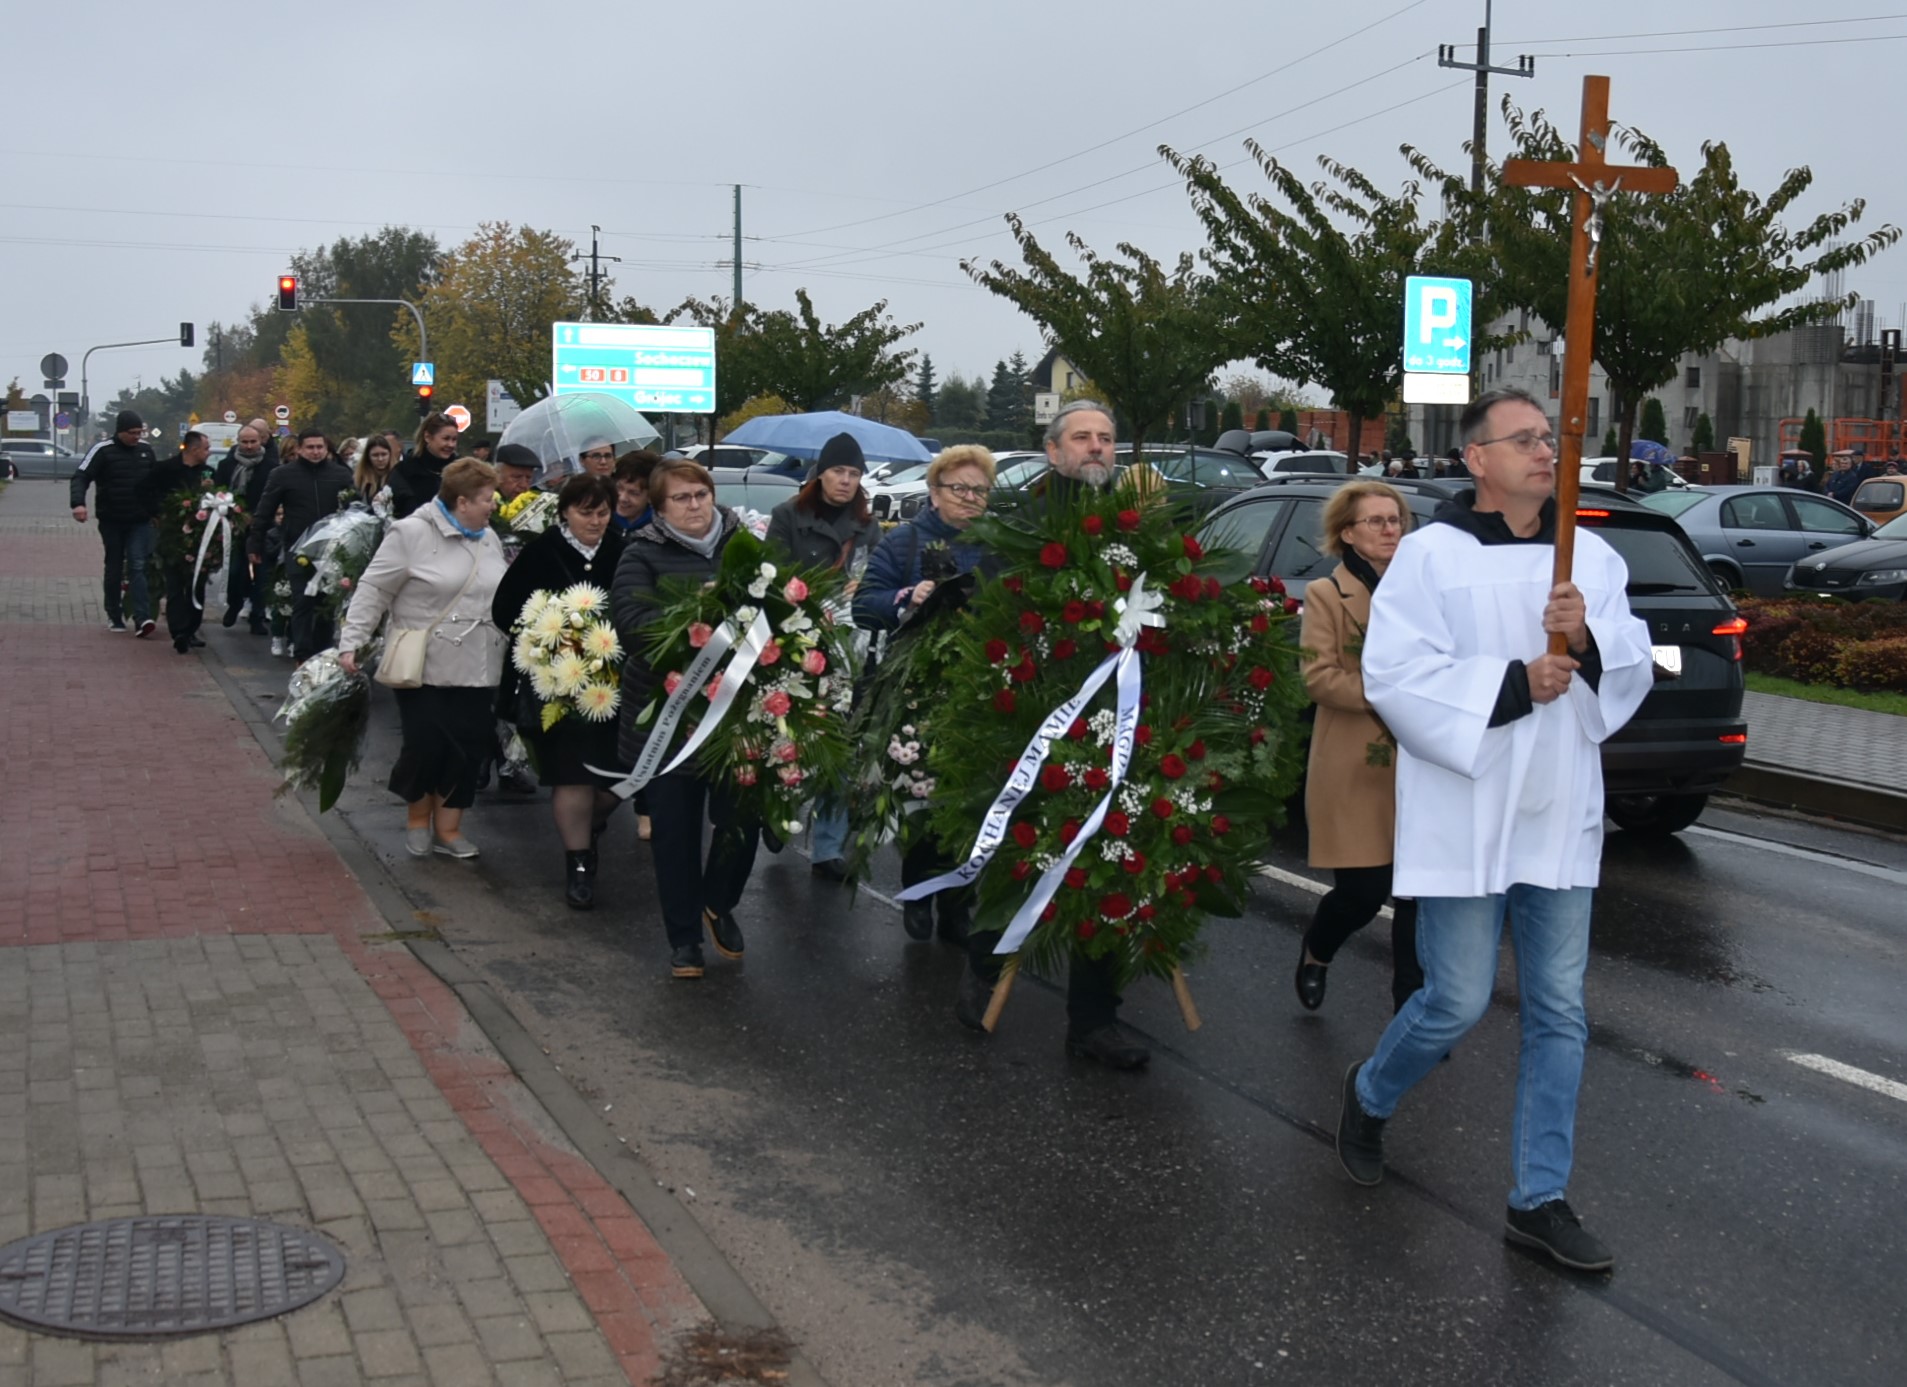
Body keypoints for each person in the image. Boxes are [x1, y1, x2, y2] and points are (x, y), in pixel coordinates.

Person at [1333, 387, 1654, 1274]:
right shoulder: (1429, 557)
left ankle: (1537, 1197)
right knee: (1456, 1000)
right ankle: (1368, 1092)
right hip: (1466, 809)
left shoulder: (1586, 553)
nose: (1544, 452)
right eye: (1523, 440)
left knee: (1559, 1009)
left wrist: (1584, 640)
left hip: (1555, 809)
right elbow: (1394, 676)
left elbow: (1629, 662)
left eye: (1548, 439)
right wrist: (1516, 684)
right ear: (1476, 458)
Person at [956, 402, 1149, 1071]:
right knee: (1024, 853)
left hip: (1119, 716)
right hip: (1036, 712)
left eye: (1105, 437)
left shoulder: (1137, 518)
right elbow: (995, 603)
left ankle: (1093, 1019)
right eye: (1082, 438)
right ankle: (984, 960)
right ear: (1051, 449)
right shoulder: (1021, 518)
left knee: (1106, 861)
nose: (1096, 448)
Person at [611, 457, 760, 979]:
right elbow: (632, 628)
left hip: (736, 715)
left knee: (743, 819)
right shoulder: (641, 554)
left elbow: (775, 606)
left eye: (701, 494)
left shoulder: (746, 546)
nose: (695, 506)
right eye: (682, 498)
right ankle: (684, 939)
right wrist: (694, 614)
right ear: (659, 508)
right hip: (668, 718)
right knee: (674, 834)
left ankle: (718, 901)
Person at [1294, 481, 1423, 1014]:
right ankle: (1318, 950)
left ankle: (1412, 1014)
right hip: (1354, 766)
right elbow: (1319, 678)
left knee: (1417, 896)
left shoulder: (1424, 592)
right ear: (1347, 533)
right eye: (1376, 521)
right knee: (1364, 894)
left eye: (1395, 520)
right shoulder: (1326, 595)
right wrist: (1391, 693)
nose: (1391, 529)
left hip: (1421, 762)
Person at [855, 444, 996, 928]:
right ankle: (917, 892)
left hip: (977, 686)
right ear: (934, 492)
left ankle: (958, 904)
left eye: (980, 490)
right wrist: (906, 598)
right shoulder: (905, 543)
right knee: (920, 793)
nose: (970, 498)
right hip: (916, 688)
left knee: (969, 797)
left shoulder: (997, 544)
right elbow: (864, 605)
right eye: (959, 488)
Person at [338, 459, 508, 860]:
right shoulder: (410, 533)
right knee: (427, 742)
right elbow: (373, 589)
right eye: (486, 499)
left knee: (468, 747)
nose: (493, 506)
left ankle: (449, 829)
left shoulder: (488, 537)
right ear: (462, 501)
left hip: (478, 662)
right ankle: (418, 821)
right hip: (423, 663)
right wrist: (352, 642)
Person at [491, 474, 627, 907]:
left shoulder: (624, 550)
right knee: (570, 775)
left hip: (614, 686)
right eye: (586, 512)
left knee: (619, 778)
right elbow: (505, 610)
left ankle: (591, 824)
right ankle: (579, 864)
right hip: (556, 687)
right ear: (565, 512)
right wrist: (552, 633)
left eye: (603, 512)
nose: (595, 521)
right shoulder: (540, 552)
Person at [765, 432, 884, 881]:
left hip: (849, 650)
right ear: (821, 474)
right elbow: (770, 577)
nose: (846, 481)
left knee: (840, 747)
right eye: (838, 471)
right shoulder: (788, 517)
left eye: (854, 474)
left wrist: (863, 588)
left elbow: (877, 578)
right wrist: (812, 597)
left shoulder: (867, 527)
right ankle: (780, 811)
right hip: (797, 644)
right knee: (790, 738)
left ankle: (828, 848)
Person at [249, 429, 353, 661]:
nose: (315, 452)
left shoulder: (340, 474)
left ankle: (323, 654)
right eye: (310, 447)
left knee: (327, 605)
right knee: (302, 602)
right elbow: (264, 510)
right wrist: (255, 543)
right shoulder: (283, 475)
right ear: (299, 449)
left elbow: (353, 508)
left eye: (320, 447)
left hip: (331, 550)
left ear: (327, 449)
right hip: (298, 548)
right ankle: (302, 655)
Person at [68, 410, 159, 635]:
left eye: (140, 432)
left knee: (138, 565)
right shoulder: (102, 450)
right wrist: (78, 503)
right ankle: (114, 614)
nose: (137, 437)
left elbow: (157, 481)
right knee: (115, 567)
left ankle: (142, 617)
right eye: (132, 433)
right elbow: (81, 476)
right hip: (112, 519)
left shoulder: (146, 451)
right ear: (120, 431)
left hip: (140, 520)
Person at [145, 430, 217, 654]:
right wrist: (157, 513)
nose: (209, 452)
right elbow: (143, 491)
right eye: (206, 448)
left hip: (200, 537)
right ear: (194, 449)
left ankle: (192, 629)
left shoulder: (209, 473)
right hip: (173, 535)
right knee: (175, 584)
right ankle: (178, 631)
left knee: (197, 584)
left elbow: (222, 497)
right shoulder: (164, 469)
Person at [215, 422, 278, 632]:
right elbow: (219, 492)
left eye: (253, 441)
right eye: (245, 442)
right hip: (234, 527)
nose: (249, 446)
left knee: (261, 575)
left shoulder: (271, 467)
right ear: (238, 442)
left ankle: (257, 617)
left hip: (262, 527)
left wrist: (260, 517)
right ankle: (235, 604)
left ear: (261, 441)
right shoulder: (227, 465)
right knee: (234, 571)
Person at [392, 414, 460, 518]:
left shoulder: (461, 470)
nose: (451, 444)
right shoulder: (405, 470)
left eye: (454, 439)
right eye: (446, 439)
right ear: (427, 437)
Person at [612, 450, 660, 533]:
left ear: (651, 496)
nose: (622, 498)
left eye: (633, 493)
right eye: (619, 488)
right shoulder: (601, 523)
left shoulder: (659, 531)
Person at [354, 434, 402, 508]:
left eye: (384, 454)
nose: (380, 459)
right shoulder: (360, 479)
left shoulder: (399, 476)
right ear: (368, 457)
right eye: (375, 455)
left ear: (390, 454)